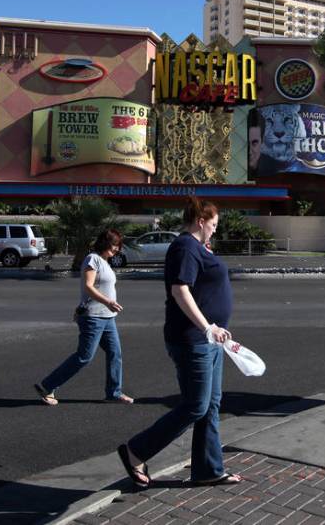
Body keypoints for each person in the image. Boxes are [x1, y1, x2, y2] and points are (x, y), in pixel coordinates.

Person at [117, 198, 242, 489]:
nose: (214, 230)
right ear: (200, 221)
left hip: (209, 340)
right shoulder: (185, 247)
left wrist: (216, 329)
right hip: (193, 340)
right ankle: (136, 451)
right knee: (196, 405)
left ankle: (209, 469)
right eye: (213, 225)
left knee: (210, 405)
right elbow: (180, 291)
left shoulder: (196, 248)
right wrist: (208, 327)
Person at [34, 229, 134, 406]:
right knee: (84, 356)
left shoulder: (105, 262)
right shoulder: (93, 259)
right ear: (104, 243)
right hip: (93, 317)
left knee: (115, 353)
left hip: (108, 318)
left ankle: (114, 392)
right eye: (114, 245)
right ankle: (47, 386)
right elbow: (88, 286)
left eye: (118, 246)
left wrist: (108, 306)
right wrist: (108, 302)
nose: (117, 249)